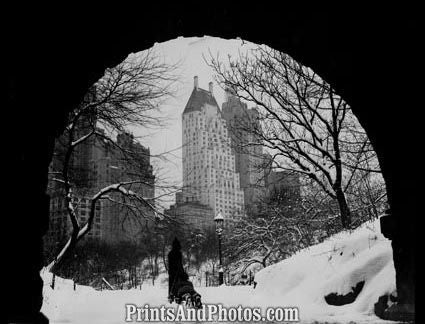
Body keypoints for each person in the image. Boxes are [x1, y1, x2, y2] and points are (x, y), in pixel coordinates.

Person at [167, 238, 186, 302]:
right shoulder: (179, 253)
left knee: (172, 284)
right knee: (179, 283)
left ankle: (171, 296)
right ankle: (178, 295)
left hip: (172, 271)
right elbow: (180, 263)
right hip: (178, 270)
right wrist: (182, 271)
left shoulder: (170, 253)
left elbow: (170, 264)